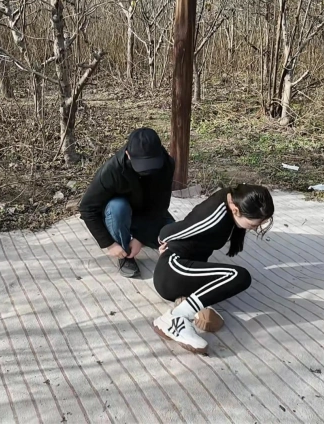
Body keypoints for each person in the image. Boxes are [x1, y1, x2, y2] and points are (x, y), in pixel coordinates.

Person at [153, 184, 274, 354]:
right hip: (172, 270)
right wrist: (163, 245)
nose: (255, 228)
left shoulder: (232, 198)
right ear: (235, 209)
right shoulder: (214, 217)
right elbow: (168, 232)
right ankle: (177, 316)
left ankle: (187, 301)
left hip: (188, 267)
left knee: (216, 318)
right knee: (238, 276)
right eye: (253, 224)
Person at [79, 128, 175, 278]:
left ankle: (145, 239)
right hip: (118, 215)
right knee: (118, 207)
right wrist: (109, 244)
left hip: (147, 214)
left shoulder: (167, 164)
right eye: (142, 164)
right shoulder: (113, 170)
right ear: (128, 154)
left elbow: (161, 206)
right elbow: (87, 209)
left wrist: (140, 238)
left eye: (151, 164)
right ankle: (125, 254)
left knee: (178, 239)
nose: (147, 171)